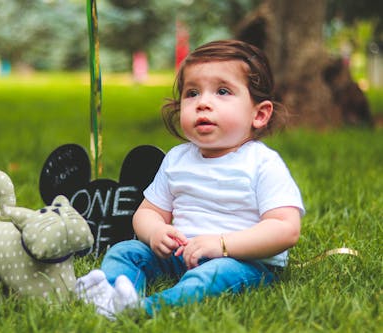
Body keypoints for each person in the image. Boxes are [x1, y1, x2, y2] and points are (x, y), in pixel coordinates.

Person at [75, 39, 305, 319]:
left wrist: (222, 245)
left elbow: (285, 228)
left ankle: (147, 309)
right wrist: (156, 232)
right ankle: (108, 295)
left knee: (211, 276)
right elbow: (147, 213)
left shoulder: (262, 163)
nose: (203, 103)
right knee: (127, 250)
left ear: (259, 114)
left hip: (242, 261)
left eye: (222, 91)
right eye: (192, 93)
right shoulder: (177, 159)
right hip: (180, 255)